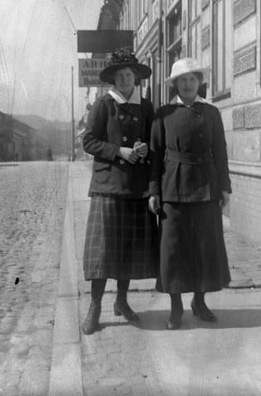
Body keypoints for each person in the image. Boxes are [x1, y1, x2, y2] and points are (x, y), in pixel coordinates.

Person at [148, 57, 231, 330]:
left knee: (204, 247)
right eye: (182, 80)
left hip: (205, 186)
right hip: (172, 187)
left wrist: (224, 187)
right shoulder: (163, 114)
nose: (188, 84)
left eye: (192, 79)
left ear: (199, 82)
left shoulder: (211, 113)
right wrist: (154, 191)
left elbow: (220, 151)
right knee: (173, 249)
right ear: (175, 84)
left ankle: (200, 301)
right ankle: (175, 307)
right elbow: (155, 154)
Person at [81, 48, 158, 335]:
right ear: (113, 78)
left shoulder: (146, 107)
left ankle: (122, 301)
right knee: (103, 252)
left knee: (127, 250)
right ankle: (95, 306)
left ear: (136, 78)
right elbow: (89, 141)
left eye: (129, 75)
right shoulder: (104, 105)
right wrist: (119, 151)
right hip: (108, 187)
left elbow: (153, 141)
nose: (125, 79)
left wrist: (144, 148)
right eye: (120, 75)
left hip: (136, 187)